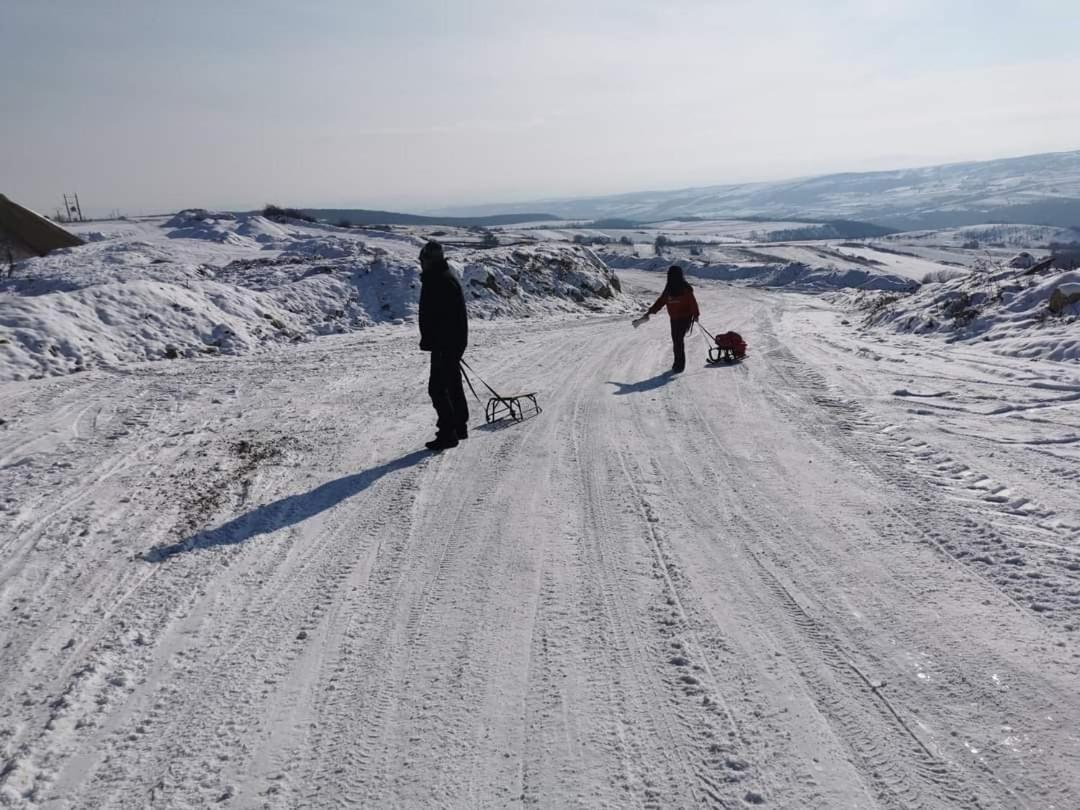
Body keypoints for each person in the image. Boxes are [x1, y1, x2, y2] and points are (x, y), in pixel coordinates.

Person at [418, 240, 468, 450]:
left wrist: (438, 343)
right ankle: (459, 426)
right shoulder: (444, 277)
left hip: (445, 343)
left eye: (423, 260)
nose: (421, 264)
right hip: (450, 341)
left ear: (429, 260)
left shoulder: (438, 280)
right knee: (452, 383)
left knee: (437, 389)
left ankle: (448, 433)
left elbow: (440, 317)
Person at [632, 265, 700, 372]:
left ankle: (680, 365)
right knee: (676, 340)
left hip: (685, 318)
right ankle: (677, 363)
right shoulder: (669, 289)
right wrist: (650, 311)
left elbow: (692, 303)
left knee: (678, 340)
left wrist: (696, 315)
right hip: (674, 318)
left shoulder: (686, 289)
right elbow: (661, 301)